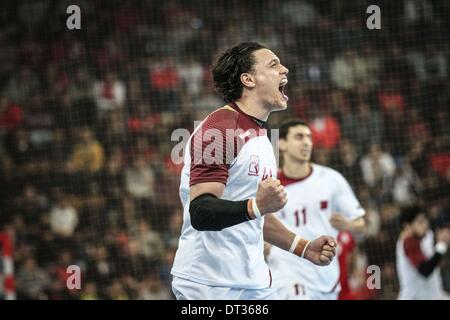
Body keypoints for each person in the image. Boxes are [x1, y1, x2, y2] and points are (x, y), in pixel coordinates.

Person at [171, 42, 336, 300]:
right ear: (248, 79)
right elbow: (201, 212)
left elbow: (257, 215)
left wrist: (304, 248)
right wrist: (257, 205)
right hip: (210, 286)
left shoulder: (262, 138)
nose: (285, 69)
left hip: (254, 282)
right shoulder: (219, 128)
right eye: (273, 64)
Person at [266, 120, 366, 300]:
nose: (306, 142)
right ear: (282, 143)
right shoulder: (270, 185)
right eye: (299, 137)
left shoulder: (331, 179)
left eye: (309, 137)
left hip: (325, 277)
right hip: (286, 274)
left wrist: (348, 224)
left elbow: (362, 224)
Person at [396, 205, 450, 300]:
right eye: (420, 222)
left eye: (425, 220)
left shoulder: (428, 235)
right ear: (407, 226)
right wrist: (441, 245)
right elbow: (425, 270)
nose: (425, 224)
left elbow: (434, 261)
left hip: (435, 295)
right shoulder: (408, 242)